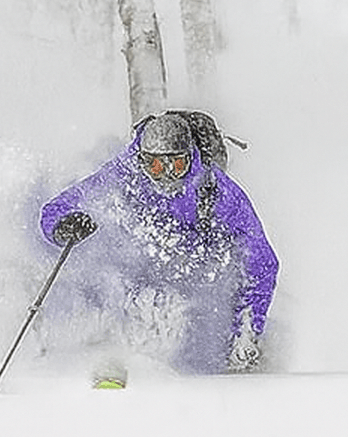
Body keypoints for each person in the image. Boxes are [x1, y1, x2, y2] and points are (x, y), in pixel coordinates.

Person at [39, 109, 279, 376]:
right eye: (155, 166)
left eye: (177, 166)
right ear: (142, 160)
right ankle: (111, 354)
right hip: (142, 254)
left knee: (201, 319)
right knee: (114, 276)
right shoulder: (126, 170)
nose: (165, 176)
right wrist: (61, 228)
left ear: (191, 158)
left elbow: (262, 263)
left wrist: (246, 330)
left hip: (199, 260)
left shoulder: (218, 190)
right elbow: (58, 207)